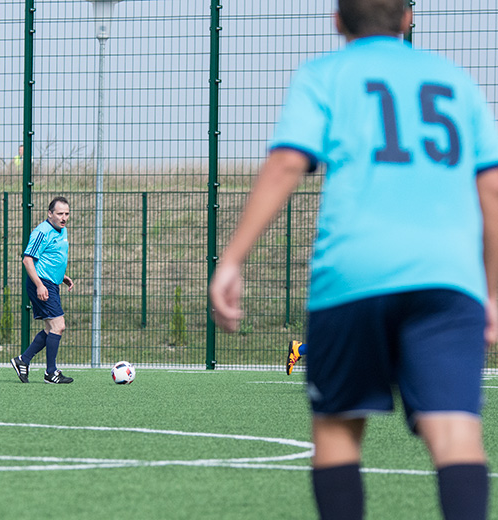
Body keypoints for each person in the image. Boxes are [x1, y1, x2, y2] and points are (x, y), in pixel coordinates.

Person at [208, 1, 498, 518]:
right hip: (448, 279)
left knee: (339, 431)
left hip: (352, 277)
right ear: (408, 18)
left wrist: (232, 259)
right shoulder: (456, 80)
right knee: (455, 434)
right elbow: (491, 189)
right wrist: (493, 289)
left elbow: (288, 162)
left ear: (338, 21)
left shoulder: (324, 75)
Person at [11, 196, 75, 384]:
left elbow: (51, 257)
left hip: (51, 282)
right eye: (60, 213)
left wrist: (61, 276)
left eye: (67, 214)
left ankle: (23, 360)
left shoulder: (62, 230)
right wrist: (39, 285)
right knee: (58, 326)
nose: (64, 218)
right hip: (42, 283)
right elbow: (27, 260)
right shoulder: (42, 231)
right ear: (50, 213)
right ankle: (51, 372)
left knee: (50, 328)